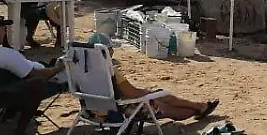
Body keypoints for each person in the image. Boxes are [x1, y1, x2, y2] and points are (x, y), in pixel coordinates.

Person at [86, 33, 218, 121]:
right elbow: (133, 93)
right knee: (162, 103)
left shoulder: (82, 70)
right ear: (108, 51)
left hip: (93, 110)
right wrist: (150, 93)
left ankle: (200, 107)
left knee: (159, 97)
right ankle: (197, 109)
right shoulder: (110, 72)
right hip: (117, 111)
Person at [0, 11, 68, 98]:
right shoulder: (5, 55)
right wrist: (59, 68)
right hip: (35, 83)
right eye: (2, 28)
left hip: (10, 85)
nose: (5, 31)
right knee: (71, 74)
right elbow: (36, 75)